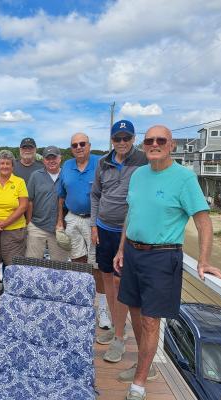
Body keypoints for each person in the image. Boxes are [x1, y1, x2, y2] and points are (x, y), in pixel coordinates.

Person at [114, 125, 221, 400]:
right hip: (132, 252)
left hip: (162, 256)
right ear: (143, 145)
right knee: (134, 311)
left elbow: (203, 222)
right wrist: (120, 249)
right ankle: (144, 366)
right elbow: (131, 214)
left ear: (172, 145)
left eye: (160, 140)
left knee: (151, 321)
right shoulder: (139, 174)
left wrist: (204, 260)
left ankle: (139, 384)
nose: (154, 144)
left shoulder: (184, 178)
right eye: (149, 140)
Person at [90, 120, 148, 364]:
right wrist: (93, 225)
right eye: (117, 138)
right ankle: (117, 326)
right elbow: (95, 194)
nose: (122, 142)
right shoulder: (103, 162)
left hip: (128, 233)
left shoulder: (143, 160)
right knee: (106, 278)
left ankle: (120, 340)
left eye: (126, 138)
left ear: (133, 138)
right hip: (104, 229)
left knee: (120, 282)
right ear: (111, 140)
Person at [56, 133, 106, 327]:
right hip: (73, 218)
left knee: (97, 265)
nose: (79, 147)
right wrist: (60, 220)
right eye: (75, 145)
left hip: (94, 221)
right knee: (78, 260)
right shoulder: (67, 166)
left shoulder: (100, 162)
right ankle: (82, 302)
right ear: (71, 148)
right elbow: (61, 196)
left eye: (82, 144)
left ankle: (102, 308)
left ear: (89, 145)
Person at [0, 150, 28, 310]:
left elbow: (23, 206)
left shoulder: (19, 182)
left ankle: (11, 297)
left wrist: (5, 223)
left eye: (8, 163)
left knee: (12, 265)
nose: (4, 166)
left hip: (14, 230)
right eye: (2, 163)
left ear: (12, 166)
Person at [25, 145, 68, 261]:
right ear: (43, 160)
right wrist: (29, 223)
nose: (51, 161)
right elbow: (29, 201)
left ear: (60, 158)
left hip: (61, 228)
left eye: (54, 157)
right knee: (32, 265)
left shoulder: (67, 175)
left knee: (59, 266)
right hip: (37, 226)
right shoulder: (35, 175)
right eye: (48, 158)